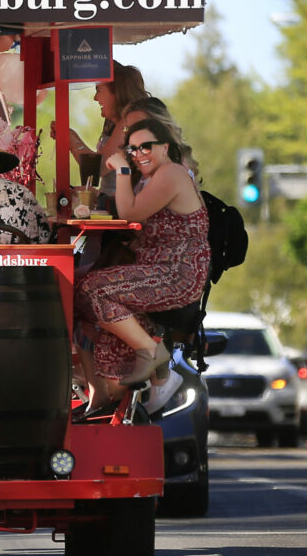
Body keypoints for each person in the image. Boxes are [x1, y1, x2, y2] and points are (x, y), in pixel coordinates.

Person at [74, 118, 210, 408]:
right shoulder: (152, 178)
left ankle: (150, 351)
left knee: (90, 289)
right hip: (154, 270)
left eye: (145, 146)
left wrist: (123, 170)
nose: (138, 154)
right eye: (133, 149)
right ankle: (153, 381)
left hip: (176, 274)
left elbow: (131, 213)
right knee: (81, 302)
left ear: (165, 147)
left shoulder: (172, 173)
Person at [56, 61, 151, 199]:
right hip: (117, 204)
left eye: (98, 90)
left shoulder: (130, 120)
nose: (95, 98)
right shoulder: (117, 122)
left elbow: (97, 169)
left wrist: (70, 139)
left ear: (116, 92)